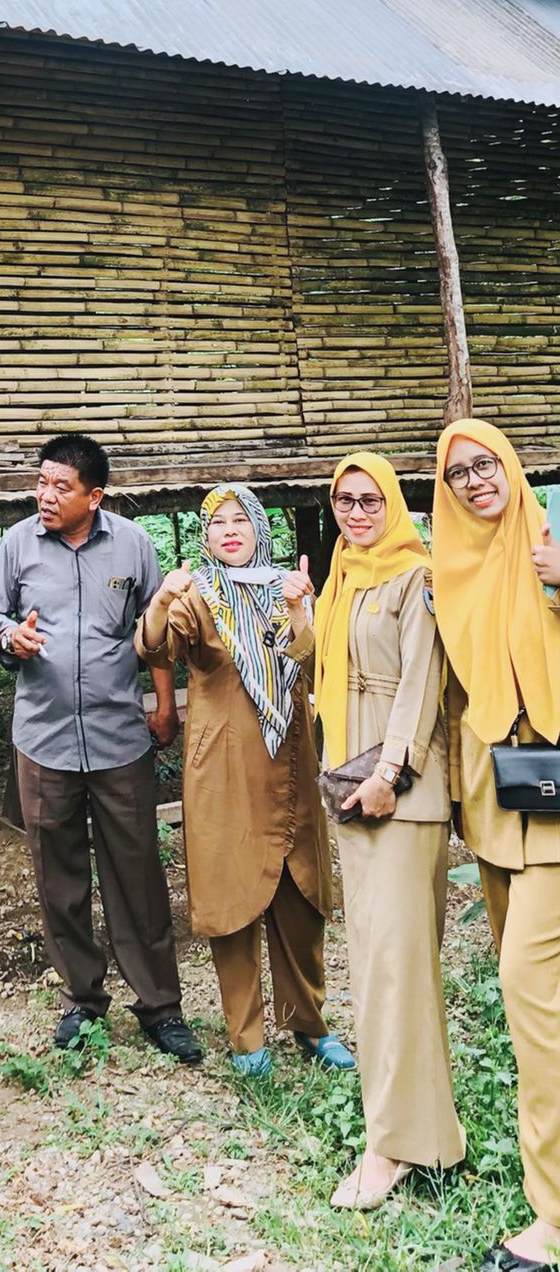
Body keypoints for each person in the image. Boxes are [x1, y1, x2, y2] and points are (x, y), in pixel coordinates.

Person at [0, 433, 201, 1063]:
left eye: (61, 487)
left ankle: (160, 1005)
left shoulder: (132, 545)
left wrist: (163, 704)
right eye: (41, 483)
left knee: (137, 873)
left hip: (118, 736)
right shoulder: (18, 543)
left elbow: (155, 630)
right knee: (59, 876)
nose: (45, 496)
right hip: (43, 737)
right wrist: (7, 637)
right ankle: (83, 997)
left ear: (94, 496)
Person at [136, 485, 351, 1078]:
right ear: (205, 537)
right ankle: (247, 1038)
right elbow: (156, 647)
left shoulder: (289, 587)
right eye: (217, 524)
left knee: (301, 894)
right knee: (232, 898)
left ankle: (311, 1024)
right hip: (224, 771)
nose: (229, 531)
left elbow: (313, 661)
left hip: (290, 765)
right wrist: (160, 600)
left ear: (259, 528)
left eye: (240, 520)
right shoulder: (197, 596)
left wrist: (302, 611)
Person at [305, 452, 463, 1211]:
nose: (359, 513)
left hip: (395, 797)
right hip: (352, 788)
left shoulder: (414, 574)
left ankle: (390, 1148)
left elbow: (420, 684)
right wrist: (300, 614)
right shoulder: (344, 574)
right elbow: (318, 665)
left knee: (392, 974)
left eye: (371, 500)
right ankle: (426, 1137)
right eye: (345, 500)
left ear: (395, 503)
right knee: (383, 971)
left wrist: (389, 777)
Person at [434, 421, 560, 1272]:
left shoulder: (550, 550)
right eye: (458, 475)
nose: (477, 482)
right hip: (506, 800)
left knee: (528, 987)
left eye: (487, 465)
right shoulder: (454, 570)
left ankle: (553, 1216)